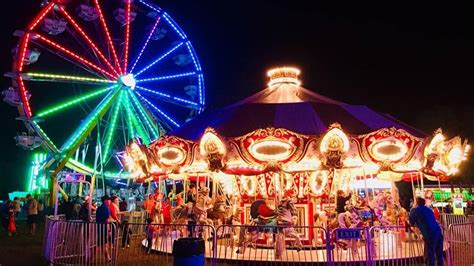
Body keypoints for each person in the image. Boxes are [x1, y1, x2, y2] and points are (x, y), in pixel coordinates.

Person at [409, 197, 443, 266]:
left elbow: (411, 222)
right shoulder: (429, 210)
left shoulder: (414, 210)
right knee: (439, 255)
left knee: (430, 256)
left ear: (416, 203)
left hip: (430, 234)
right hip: (438, 232)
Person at [96, 195, 111, 262]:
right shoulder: (106, 208)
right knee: (102, 245)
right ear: (105, 201)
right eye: (108, 200)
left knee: (101, 244)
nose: (109, 201)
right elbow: (107, 220)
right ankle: (89, 260)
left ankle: (108, 258)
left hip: (99, 228)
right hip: (104, 228)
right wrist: (109, 230)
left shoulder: (99, 208)